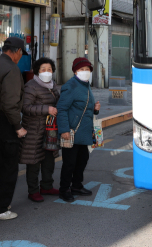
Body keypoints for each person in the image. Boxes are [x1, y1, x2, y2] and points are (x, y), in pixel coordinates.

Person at [0, 37, 28, 220]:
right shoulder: (11, 69)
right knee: (8, 167)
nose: (20, 57)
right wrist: (18, 127)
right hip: (4, 122)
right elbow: (10, 104)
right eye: (20, 53)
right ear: (16, 51)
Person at [57, 57, 101, 202]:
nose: (85, 72)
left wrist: (95, 110)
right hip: (71, 132)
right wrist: (64, 130)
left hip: (84, 132)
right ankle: (64, 189)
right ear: (75, 71)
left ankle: (76, 185)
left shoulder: (86, 85)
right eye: (82, 69)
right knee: (69, 163)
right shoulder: (71, 85)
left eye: (87, 69)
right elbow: (62, 109)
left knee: (82, 160)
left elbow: (85, 108)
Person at [19, 57, 61, 202]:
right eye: (43, 69)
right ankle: (33, 191)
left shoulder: (52, 85)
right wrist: (46, 109)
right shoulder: (31, 86)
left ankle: (47, 186)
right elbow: (25, 107)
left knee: (49, 160)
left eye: (49, 69)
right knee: (33, 161)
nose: (47, 72)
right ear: (37, 71)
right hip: (34, 130)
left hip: (49, 130)